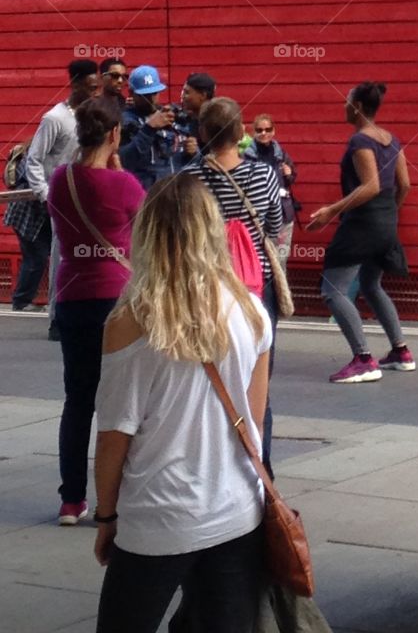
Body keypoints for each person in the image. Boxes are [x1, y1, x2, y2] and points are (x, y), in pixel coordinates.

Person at [92, 175, 271, 633]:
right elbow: (253, 420)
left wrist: (107, 514)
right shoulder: (250, 310)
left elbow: (114, 435)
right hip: (236, 511)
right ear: (211, 230)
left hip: (158, 515)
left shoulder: (131, 321)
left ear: (147, 234)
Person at [47, 96, 143, 526]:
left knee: (78, 399)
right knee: (121, 402)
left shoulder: (60, 179)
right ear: (115, 135)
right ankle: (115, 499)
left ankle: (71, 500)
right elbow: (144, 230)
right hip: (116, 298)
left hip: (71, 295)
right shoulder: (125, 185)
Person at [186, 98, 282, 465]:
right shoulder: (264, 175)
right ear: (241, 133)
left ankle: (216, 463)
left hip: (208, 290)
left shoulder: (191, 179)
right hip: (257, 289)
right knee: (259, 383)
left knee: (211, 379)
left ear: (204, 133)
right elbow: (273, 228)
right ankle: (261, 468)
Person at [306, 82, 413, 383]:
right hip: (385, 224)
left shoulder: (360, 142)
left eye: (347, 101)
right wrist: (388, 213)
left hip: (361, 226)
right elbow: (404, 185)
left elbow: (371, 186)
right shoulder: (392, 141)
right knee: (370, 284)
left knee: (333, 289)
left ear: (358, 107)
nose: (343, 106)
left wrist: (331, 211)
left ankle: (364, 359)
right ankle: (401, 352)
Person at [6, 59, 99, 332]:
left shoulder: (90, 118)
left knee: (77, 259)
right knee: (56, 261)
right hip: (55, 200)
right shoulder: (55, 119)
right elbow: (33, 160)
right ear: (75, 84)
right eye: (90, 87)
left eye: (97, 88)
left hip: (81, 199)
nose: (95, 93)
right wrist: (46, 196)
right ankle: (57, 321)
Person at [244, 114, 299, 268]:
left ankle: (280, 291)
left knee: (281, 258)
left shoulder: (281, 153)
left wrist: (289, 174)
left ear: (273, 131)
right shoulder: (247, 157)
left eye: (268, 129)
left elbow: (292, 178)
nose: (264, 133)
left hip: (283, 213)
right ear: (253, 132)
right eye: (259, 130)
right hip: (259, 215)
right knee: (261, 260)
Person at [119, 65, 177, 190]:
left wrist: (192, 153)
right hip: (141, 194)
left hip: (169, 191)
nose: (151, 99)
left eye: (154, 93)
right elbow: (124, 161)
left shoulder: (168, 116)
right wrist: (149, 129)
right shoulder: (124, 121)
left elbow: (178, 157)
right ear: (131, 93)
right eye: (145, 95)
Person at [173, 72, 216, 169]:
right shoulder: (187, 118)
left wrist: (195, 154)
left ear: (202, 96)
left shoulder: (215, 124)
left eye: (187, 92)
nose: (183, 96)